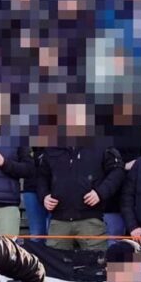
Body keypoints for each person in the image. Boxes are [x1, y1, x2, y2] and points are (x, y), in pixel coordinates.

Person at [34, 99, 124, 248]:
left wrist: (100, 193)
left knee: (97, 268)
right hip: (58, 222)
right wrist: (44, 196)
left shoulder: (101, 144)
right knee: (54, 269)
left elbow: (117, 171)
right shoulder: (51, 147)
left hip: (91, 221)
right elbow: (42, 176)